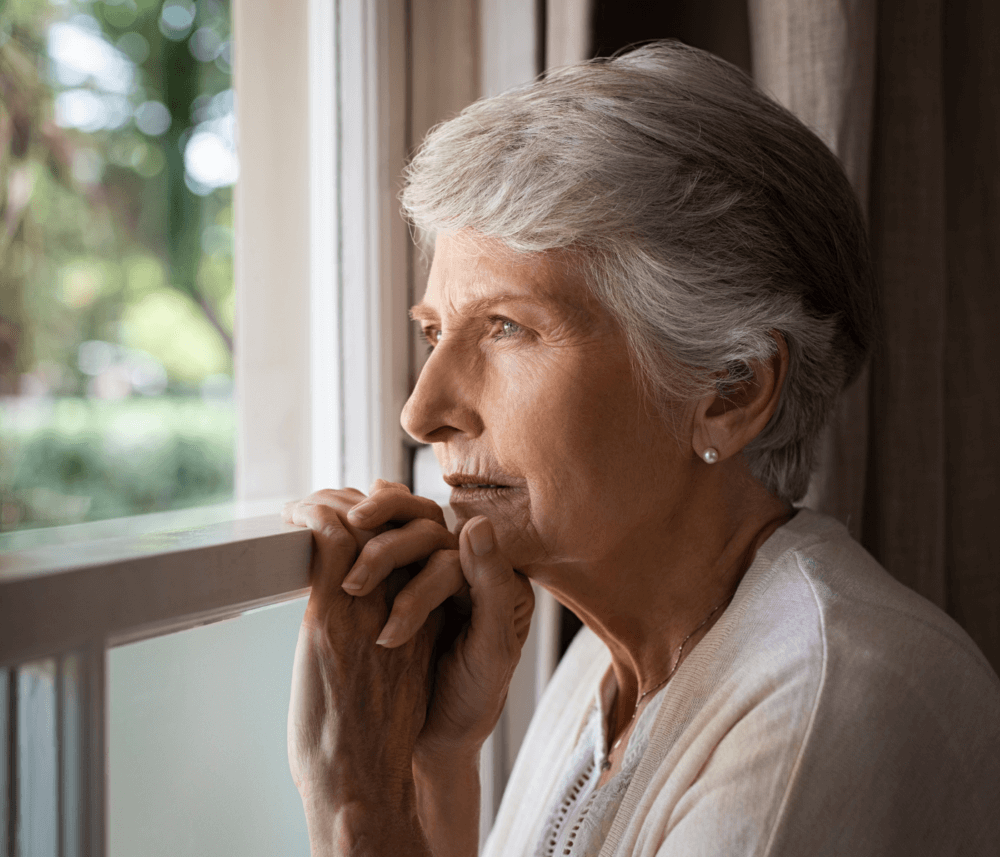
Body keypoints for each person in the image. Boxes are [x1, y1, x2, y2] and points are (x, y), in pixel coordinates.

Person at [281, 41, 1000, 857]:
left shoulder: (828, 702)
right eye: (436, 332)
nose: (423, 412)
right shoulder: (601, 663)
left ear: (730, 390)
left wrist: (359, 805)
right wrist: (436, 763)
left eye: (507, 328)